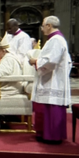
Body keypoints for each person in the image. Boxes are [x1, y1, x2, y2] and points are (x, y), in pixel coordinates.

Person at [29, 16, 71, 144]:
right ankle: (46, 134)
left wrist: (35, 61)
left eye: (43, 26)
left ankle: (52, 136)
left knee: (52, 107)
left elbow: (51, 60)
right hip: (51, 78)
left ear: (49, 26)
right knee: (47, 107)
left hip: (53, 80)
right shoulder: (55, 39)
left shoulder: (56, 40)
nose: (42, 29)